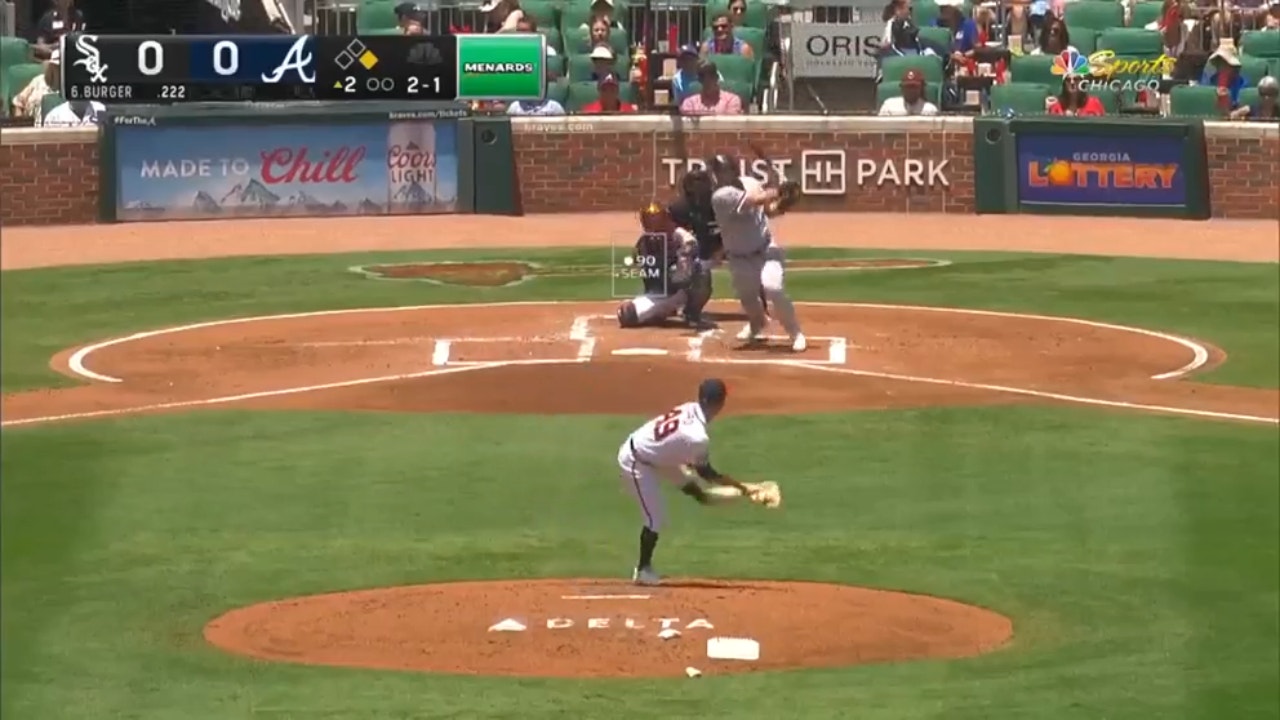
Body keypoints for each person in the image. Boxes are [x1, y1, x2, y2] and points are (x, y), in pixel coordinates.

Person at [618, 378, 754, 585]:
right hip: (637, 460)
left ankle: (704, 498)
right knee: (655, 518)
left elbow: (677, 447)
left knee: (695, 491)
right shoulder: (697, 437)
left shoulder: (690, 408)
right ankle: (643, 570)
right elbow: (707, 474)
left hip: (657, 454)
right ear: (718, 403)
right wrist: (744, 487)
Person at [707, 153, 806, 353]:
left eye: (723, 170)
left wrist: (785, 202)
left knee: (773, 288)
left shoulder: (750, 183)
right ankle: (756, 324)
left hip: (765, 249)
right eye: (718, 172)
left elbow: (768, 210)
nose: (720, 175)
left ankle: (795, 332)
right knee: (748, 297)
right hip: (738, 256)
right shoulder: (720, 196)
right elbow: (756, 200)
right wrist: (780, 189)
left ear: (732, 169)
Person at [615, 203, 699, 328]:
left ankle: (691, 311)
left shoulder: (680, 236)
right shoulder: (644, 242)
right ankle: (664, 310)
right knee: (627, 314)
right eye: (648, 218)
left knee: (701, 273)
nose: (652, 222)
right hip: (658, 292)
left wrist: (681, 260)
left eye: (655, 218)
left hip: (681, 291)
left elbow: (690, 261)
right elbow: (645, 270)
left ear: (664, 217)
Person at [667, 169, 721, 328]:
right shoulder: (678, 208)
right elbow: (666, 236)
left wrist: (721, 252)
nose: (700, 188)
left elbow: (731, 231)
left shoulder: (718, 205)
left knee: (751, 259)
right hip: (683, 255)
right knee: (695, 278)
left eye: (702, 183)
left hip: (715, 249)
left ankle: (691, 311)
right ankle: (671, 300)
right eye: (695, 184)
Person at [679, 61, 745, 115]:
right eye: (702, 76)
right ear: (699, 80)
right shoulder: (690, 103)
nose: (707, 80)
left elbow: (731, 125)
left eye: (710, 75)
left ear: (716, 77)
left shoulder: (732, 100)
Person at [1201, 41, 1248, 112]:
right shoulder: (1211, 81)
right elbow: (1202, 96)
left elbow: (1242, 103)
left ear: (1234, 67)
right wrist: (1213, 94)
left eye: (1226, 64)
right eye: (1220, 63)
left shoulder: (1243, 83)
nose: (1223, 67)